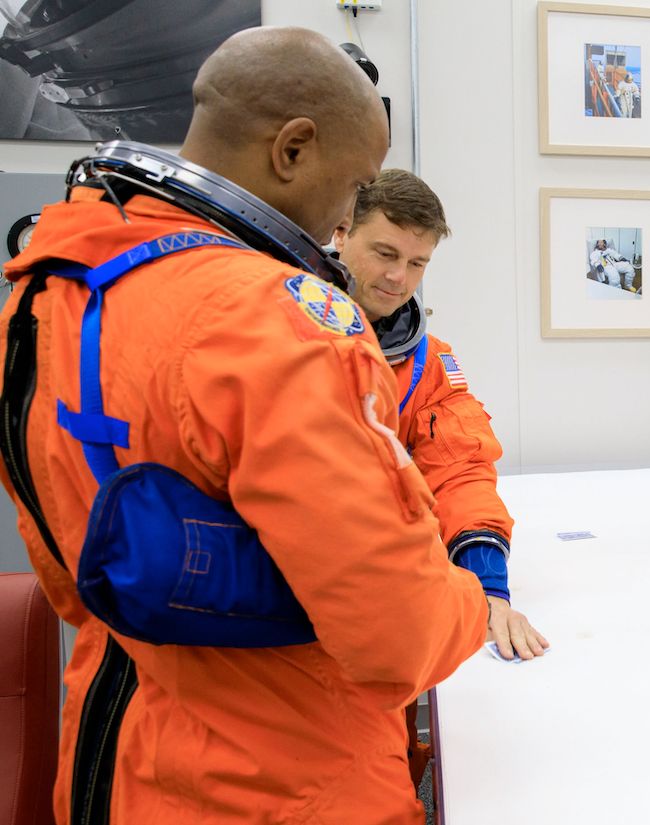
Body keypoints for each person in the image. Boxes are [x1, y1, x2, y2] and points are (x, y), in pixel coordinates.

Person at [0, 28, 488, 824]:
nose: (343, 212)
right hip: (286, 779)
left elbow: (70, 559)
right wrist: (468, 595)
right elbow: (400, 633)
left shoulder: (52, 285)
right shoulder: (282, 321)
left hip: (114, 751)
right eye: (355, 183)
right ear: (293, 149)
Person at [333, 169, 551, 780]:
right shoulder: (287, 334)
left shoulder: (429, 362)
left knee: (388, 769)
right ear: (341, 232)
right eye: (384, 253)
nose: (398, 277)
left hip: (389, 611)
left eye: (418, 263)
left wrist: (488, 589)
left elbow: (460, 472)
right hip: (298, 604)